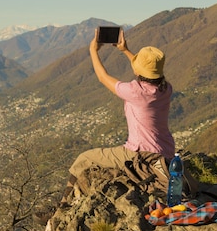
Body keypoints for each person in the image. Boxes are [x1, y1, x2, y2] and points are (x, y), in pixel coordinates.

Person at [59, 28, 176, 207]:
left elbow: (102, 77)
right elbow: (143, 73)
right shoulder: (165, 88)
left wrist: (92, 50)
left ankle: (63, 205)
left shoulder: (135, 92)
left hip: (140, 154)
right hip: (166, 151)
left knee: (83, 159)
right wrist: (126, 51)